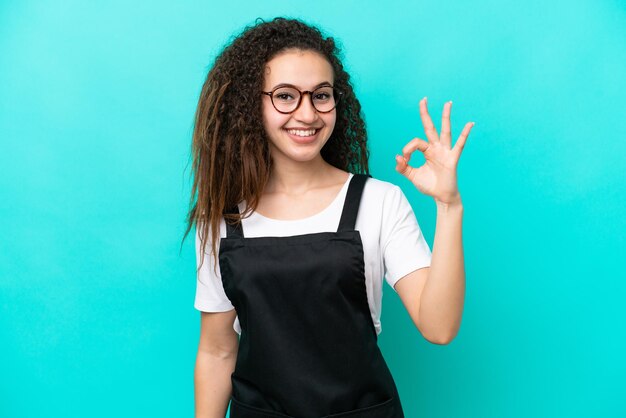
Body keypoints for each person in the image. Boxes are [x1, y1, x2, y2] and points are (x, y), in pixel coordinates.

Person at [184, 17, 474, 418]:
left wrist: (448, 206)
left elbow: (438, 326)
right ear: (252, 103)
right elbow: (217, 352)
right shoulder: (223, 218)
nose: (307, 114)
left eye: (321, 95)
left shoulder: (379, 202)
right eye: (286, 96)